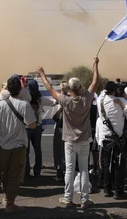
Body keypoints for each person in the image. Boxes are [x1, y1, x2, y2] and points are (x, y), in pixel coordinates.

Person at [37, 57, 99, 209]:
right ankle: (85, 200)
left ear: (70, 89)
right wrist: (95, 66)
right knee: (84, 169)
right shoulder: (86, 99)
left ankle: (68, 198)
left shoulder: (65, 101)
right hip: (84, 140)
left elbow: (50, 88)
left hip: (70, 141)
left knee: (69, 170)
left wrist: (42, 74)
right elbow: (94, 82)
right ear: (80, 87)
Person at [0, 76, 37, 213]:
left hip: (4, 145)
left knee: (5, 172)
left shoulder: (0, 104)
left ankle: (7, 198)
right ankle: (10, 204)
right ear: (20, 89)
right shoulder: (24, 105)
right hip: (18, 146)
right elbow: (32, 125)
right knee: (15, 174)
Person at [96, 81, 127, 200]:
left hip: (105, 137)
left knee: (105, 164)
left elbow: (101, 94)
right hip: (118, 137)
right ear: (115, 90)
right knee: (118, 165)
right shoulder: (122, 102)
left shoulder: (100, 101)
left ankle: (107, 189)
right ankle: (118, 191)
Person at [25, 79, 57, 178]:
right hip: (37, 126)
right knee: (37, 149)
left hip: (26, 126)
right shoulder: (41, 99)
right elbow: (53, 102)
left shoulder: (24, 98)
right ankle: (37, 171)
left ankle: (26, 171)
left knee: (26, 150)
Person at [53, 81, 68, 182]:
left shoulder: (59, 99)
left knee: (58, 149)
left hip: (60, 127)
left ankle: (59, 171)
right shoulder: (72, 99)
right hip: (68, 128)